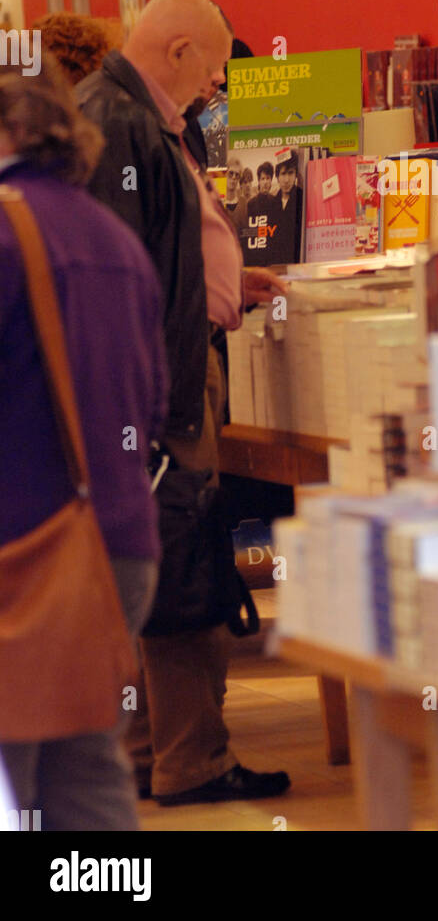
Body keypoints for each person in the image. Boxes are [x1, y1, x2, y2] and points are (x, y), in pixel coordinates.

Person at [76, 0, 290, 807]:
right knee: (180, 560)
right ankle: (190, 760)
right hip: (161, 386)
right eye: (209, 69)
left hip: (157, 377)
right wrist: (161, 412)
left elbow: (161, 261)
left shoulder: (128, 117)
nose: (212, 87)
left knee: (153, 565)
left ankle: (149, 752)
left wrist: (224, 279)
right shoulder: (126, 124)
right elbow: (126, 277)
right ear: (174, 53)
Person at [0, 61, 166, 830]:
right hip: (117, 544)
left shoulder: (7, 232)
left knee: (16, 776)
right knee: (86, 768)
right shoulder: (114, 238)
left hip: (21, 548)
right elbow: (153, 398)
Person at [268, 153, 303, 267]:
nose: (287, 180)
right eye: (283, 174)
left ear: (296, 175)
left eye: (290, 173)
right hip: (275, 265)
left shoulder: (302, 198)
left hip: (298, 264)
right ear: (277, 177)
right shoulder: (272, 202)